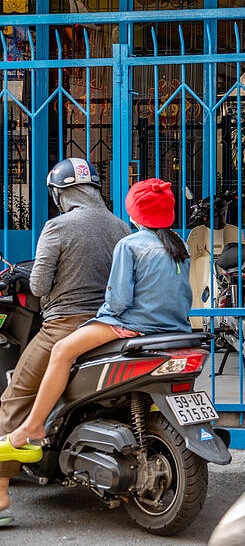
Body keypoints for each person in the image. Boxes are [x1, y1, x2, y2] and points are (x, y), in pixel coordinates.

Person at [5, 178, 193, 452]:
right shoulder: (180, 245)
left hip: (134, 325)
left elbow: (118, 300)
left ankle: (34, 425)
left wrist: (103, 318)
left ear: (134, 212)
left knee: (61, 351)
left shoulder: (130, 245)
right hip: (176, 328)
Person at [0, 158, 130, 524]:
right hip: (109, 326)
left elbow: (38, 287)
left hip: (64, 325)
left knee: (16, 396)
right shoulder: (122, 227)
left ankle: (0, 498)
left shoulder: (57, 228)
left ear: (59, 193)